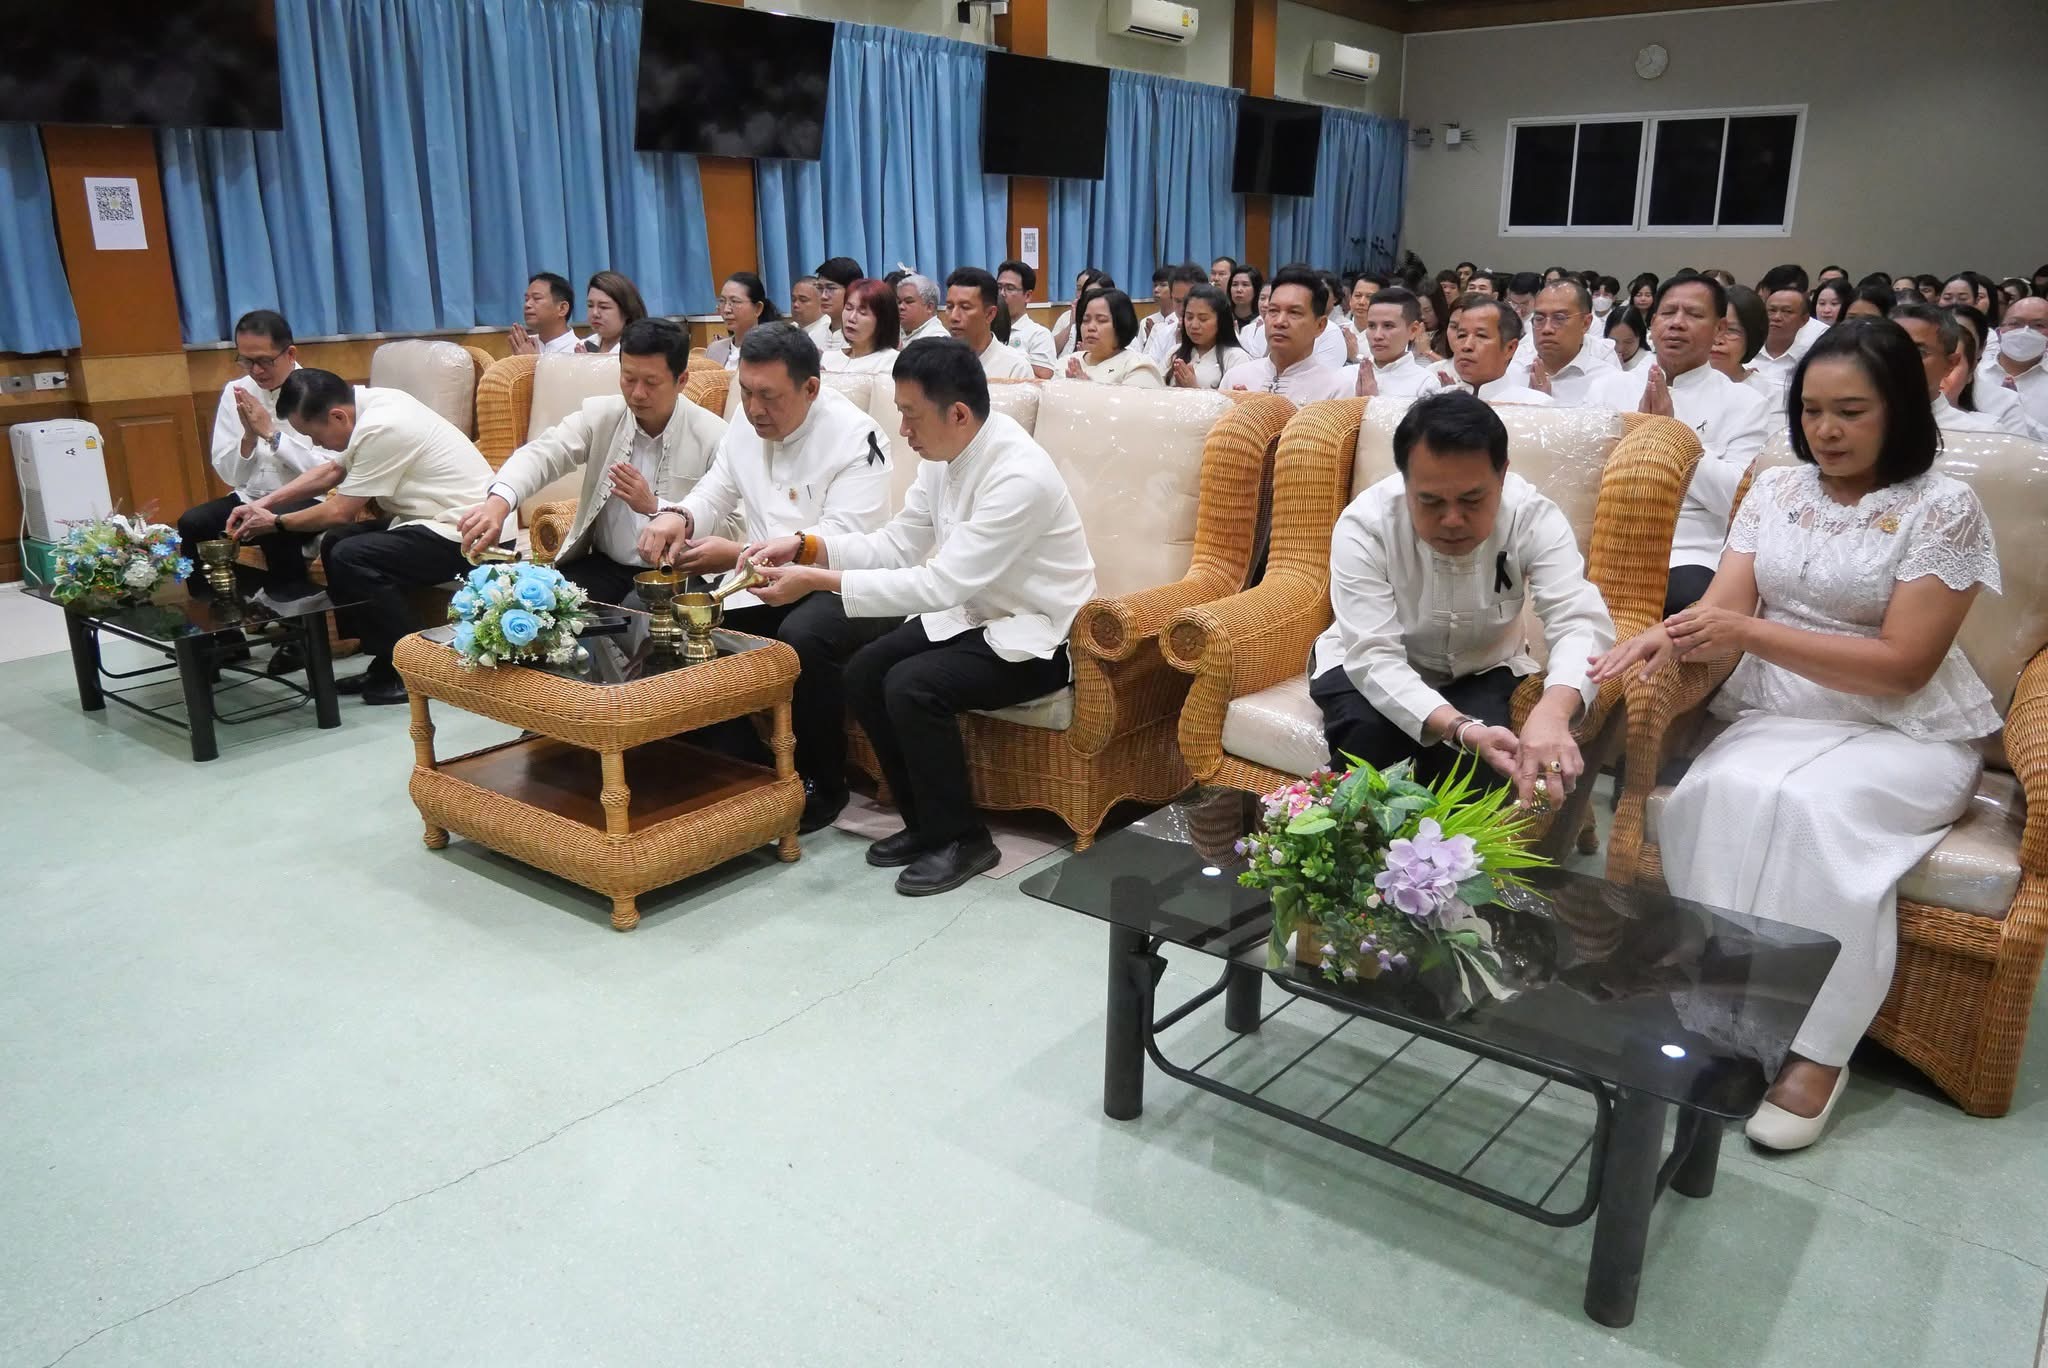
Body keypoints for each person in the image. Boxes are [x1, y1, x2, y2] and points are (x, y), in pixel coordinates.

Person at [1589, 319, 2002, 1151]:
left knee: (1816, 811)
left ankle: (1818, 1051)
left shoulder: (1944, 506)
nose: (1827, 430)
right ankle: (1715, 1008)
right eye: (1812, 410)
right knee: (1723, 789)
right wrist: (1664, 636)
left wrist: (1749, 638)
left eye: (1851, 410)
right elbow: (1728, 609)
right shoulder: (1777, 490)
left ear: (1901, 412)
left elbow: (1903, 666)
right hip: (1782, 712)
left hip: (1909, 731)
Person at [746, 339, 1095, 895]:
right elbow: (900, 543)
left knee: (912, 684)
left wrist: (817, 581)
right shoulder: (946, 455)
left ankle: (964, 838)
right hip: (973, 616)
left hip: (1037, 635)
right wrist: (807, 547)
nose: (902, 430)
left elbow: (940, 582)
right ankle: (925, 824)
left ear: (957, 413)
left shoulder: (1017, 475)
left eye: (910, 414)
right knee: (862, 672)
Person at [639, 323, 896, 831]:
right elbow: (716, 490)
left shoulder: (856, 436)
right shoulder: (746, 422)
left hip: (846, 585)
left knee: (803, 635)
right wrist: (678, 517)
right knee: (662, 606)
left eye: (769, 397)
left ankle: (821, 781)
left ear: (811, 388)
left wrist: (737, 555)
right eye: (746, 393)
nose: (754, 409)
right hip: (760, 579)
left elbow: (843, 540)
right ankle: (733, 761)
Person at [1312, 391, 1613, 808]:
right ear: (1404, 480)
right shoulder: (1366, 525)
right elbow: (1374, 656)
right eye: (1430, 501)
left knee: (1478, 773)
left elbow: (1578, 619)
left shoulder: (1531, 516)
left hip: (1484, 665)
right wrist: (1460, 728)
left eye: (1472, 500)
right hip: (1362, 664)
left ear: (1502, 474)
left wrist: (1554, 709)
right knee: (1368, 750)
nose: (1452, 520)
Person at [224, 368, 496, 705]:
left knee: (352, 554)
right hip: (430, 520)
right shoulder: (368, 404)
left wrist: (276, 522)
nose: (315, 444)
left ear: (337, 416)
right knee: (338, 542)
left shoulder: (384, 425)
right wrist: (262, 504)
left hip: (471, 533)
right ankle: (385, 660)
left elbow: (341, 510)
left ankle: (415, 668)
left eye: (313, 435)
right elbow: (332, 471)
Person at [456, 319, 726, 604]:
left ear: (681, 380)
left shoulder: (712, 435)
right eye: (629, 378)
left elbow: (731, 519)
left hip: (680, 572)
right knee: (534, 605)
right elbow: (543, 455)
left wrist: (657, 506)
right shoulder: (601, 416)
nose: (637, 393)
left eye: (651, 383)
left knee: (641, 615)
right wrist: (498, 504)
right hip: (605, 565)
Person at [1589, 272, 1771, 614]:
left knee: (1685, 603)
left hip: (1685, 546)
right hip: (1604, 537)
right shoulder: (1607, 389)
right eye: (1668, 312)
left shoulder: (1743, 402)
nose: (1677, 323)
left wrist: (1671, 434)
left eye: (1694, 315)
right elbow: (1582, 472)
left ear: (1718, 330)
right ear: (1652, 321)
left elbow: (1736, 500)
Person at [177, 310, 325, 650]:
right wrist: (246, 438)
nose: (256, 371)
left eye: (264, 361)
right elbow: (229, 474)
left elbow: (328, 470)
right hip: (250, 495)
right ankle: (219, 632)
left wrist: (271, 435)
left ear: (290, 354)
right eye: (245, 361)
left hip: (309, 496)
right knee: (193, 523)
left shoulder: (318, 389)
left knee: (274, 524)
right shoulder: (236, 391)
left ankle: (296, 639)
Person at [1221, 267, 1354, 402]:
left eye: (1294, 313)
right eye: (1273, 310)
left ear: (1320, 325)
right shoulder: (1235, 378)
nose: (1279, 322)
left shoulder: (1336, 389)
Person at [1890, 302, 2009, 435]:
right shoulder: (1869, 422)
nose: (1899, 358)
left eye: (1919, 352)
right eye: (1890, 349)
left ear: (1951, 363)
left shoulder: (1980, 434)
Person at [1523, 279, 1618, 406]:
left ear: (1585, 323)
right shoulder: (1513, 371)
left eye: (1559, 318)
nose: (1547, 329)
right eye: (1539, 319)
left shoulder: (1608, 380)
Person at [1443, 296, 1551, 406]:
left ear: (1510, 349)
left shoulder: (1534, 405)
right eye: (1461, 335)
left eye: (1481, 336)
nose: (1466, 346)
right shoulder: (1438, 400)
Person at [1352, 287, 1450, 400]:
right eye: (1372, 326)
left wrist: (1370, 402)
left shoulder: (1425, 384)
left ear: (1413, 330)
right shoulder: (1344, 376)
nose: (1377, 335)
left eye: (1388, 326)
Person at [944, 267, 1035, 380]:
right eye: (949, 307)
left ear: (990, 314)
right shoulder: (937, 363)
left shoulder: (1015, 368)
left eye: (965, 307)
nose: (953, 316)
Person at [1063, 288, 1165, 388]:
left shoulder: (1138, 366)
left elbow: (1135, 403)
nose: (1090, 327)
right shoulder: (1067, 362)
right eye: (1085, 320)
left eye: (1101, 320)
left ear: (1122, 324)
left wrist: (1088, 388)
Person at [1980, 294, 2048, 432]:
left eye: (2038, 325)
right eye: (2015, 323)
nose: (2025, 331)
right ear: (1999, 332)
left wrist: (2014, 412)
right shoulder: (1975, 373)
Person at [1166, 284, 1250, 389]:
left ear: (1220, 321)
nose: (1194, 325)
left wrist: (1193, 389)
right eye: (1189, 317)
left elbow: (1236, 403)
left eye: (1203, 319)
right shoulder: (1174, 353)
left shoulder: (1236, 358)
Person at [1711, 284, 1782, 405]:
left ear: (1752, 337)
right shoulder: (1673, 387)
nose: (1718, 340)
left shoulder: (1770, 394)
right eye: (1713, 328)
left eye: (1732, 330)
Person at [820, 277, 902, 377]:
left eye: (863, 313)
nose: (851, 318)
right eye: (848, 308)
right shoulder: (828, 358)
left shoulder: (891, 362)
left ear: (883, 320)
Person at [996, 260, 1057, 378]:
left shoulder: (1039, 335)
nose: (1002, 293)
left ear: (1027, 296)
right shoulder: (986, 330)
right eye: (998, 287)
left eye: (1010, 288)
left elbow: (1042, 380)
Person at [714, 272, 781, 370]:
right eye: (722, 301)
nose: (726, 310)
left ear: (758, 308)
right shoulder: (714, 349)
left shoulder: (774, 352)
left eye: (735, 301)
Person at [1751, 285, 1812, 391]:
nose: (1776, 317)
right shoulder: (1744, 352)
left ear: (1804, 320)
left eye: (1787, 311)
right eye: (1772, 310)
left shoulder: (1808, 360)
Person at [1144, 263, 1204, 364]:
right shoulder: (1163, 335)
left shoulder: (1219, 336)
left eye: (1187, 301)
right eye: (1177, 301)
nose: (1182, 308)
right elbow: (1150, 373)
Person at [508, 272, 580, 356]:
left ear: (562, 308)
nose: (527, 305)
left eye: (537, 298)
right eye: (526, 299)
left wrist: (530, 360)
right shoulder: (525, 345)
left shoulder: (579, 351)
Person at [1053, 268, 1112, 358]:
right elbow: (1052, 351)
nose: (1082, 294)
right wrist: (1071, 324)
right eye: (1079, 289)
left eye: (1089, 291)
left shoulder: (1110, 320)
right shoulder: (1066, 316)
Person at [582, 271, 645, 355]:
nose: (595, 313)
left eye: (603, 307)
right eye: (590, 305)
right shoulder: (583, 346)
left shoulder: (639, 352)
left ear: (626, 311)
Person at [813, 256, 862, 352]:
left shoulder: (865, 338)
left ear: (853, 290)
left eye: (831, 288)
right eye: (819, 288)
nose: (823, 296)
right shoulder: (814, 335)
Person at [1229, 265, 1267, 357]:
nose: (1239, 290)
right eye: (1234, 284)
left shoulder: (1262, 320)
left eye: (1245, 285)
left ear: (1256, 289)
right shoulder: (1224, 316)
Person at [898, 274, 947, 343]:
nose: (901, 307)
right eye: (899, 302)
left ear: (929, 307)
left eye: (908, 302)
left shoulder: (937, 339)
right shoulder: (895, 332)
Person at [790, 276, 833, 350]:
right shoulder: (789, 330)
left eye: (803, 300)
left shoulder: (830, 332)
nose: (795, 305)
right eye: (793, 300)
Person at [1605, 304, 1652, 373]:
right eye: (1613, 341)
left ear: (1640, 337)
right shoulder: (1599, 357)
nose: (1620, 348)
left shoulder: (1650, 364)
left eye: (1628, 342)